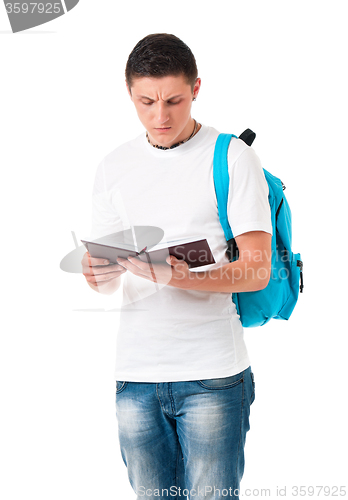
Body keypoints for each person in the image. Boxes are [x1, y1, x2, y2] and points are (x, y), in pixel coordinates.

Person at [82, 33, 272, 500]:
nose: (160, 116)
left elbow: (257, 270)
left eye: (174, 100)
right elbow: (107, 283)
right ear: (130, 93)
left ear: (197, 89)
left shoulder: (231, 156)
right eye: (146, 101)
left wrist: (179, 275)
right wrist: (97, 275)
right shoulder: (113, 166)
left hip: (212, 375)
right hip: (135, 376)